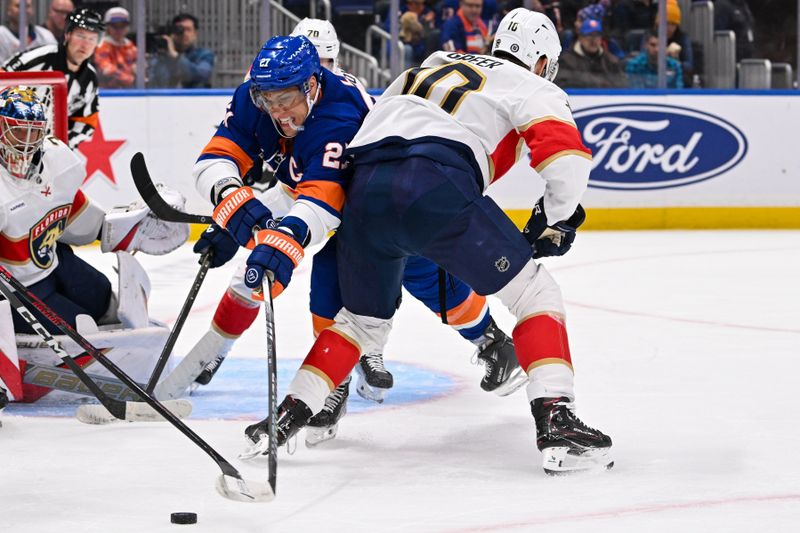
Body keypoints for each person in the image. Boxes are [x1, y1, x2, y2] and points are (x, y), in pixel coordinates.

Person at [242, 8, 613, 475]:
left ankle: (286, 416)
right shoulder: (532, 85)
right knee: (536, 293)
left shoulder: (434, 60)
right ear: (541, 62)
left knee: (359, 323)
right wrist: (559, 216)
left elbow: (371, 126)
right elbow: (565, 157)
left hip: (364, 191)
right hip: (434, 183)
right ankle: (556, 419)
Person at [189, 30, 525, 445]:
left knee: (426, 278)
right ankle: (334, 386)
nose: (277, 110)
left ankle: (491, 342)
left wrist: (280, 237)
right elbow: (237, 165)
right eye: (268, 99)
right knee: (329, 295)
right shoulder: (263, 96)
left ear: (314, 79)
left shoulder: (339, 112)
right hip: (328, 200)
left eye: (286, 98)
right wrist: (235, 211)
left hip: (372, 203)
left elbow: (323, 197)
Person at [0, 86, 188, 405]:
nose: (28, 144)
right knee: (78, 330)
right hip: (18, 288)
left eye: (35, 133)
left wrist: (121, 229)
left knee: (102, 298)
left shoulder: (58, 159)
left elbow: (74, 213)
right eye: (19, 133)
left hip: (55, 260)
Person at [1, 8, 103, 149]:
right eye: (80, 36)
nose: (85, 44)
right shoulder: (40, 57)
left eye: (92, 39)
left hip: (48, 151)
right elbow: (3, 77)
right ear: (67, 35)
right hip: (10, 141)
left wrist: (60, 147)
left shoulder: (90, 79)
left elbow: (86, 122)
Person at [147, 13, 214, 89]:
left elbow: (202, 75)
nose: (184, 34)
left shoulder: (204, 55)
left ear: (195, 34)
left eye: (188, 30)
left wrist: (175, 56)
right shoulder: (162, 57)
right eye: (179, 30)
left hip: (194, 99)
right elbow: (154, 84)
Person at [557, 18, 627, 89]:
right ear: (580, 37)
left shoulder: (611, 61)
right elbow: (562, 84)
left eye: (597, 36)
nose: (593, 40)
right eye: (589, 35)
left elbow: (622, 84)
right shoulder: (566, 61)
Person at [94, 7, 137, 89]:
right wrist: (130, 79)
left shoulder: (130, 45)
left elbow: (138, 64)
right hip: (108, 92)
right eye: (114, 26)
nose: (118, 30)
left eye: (122, 26)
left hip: (129, 91)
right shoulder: (102, 46)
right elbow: (106, 69)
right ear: (107, 27)